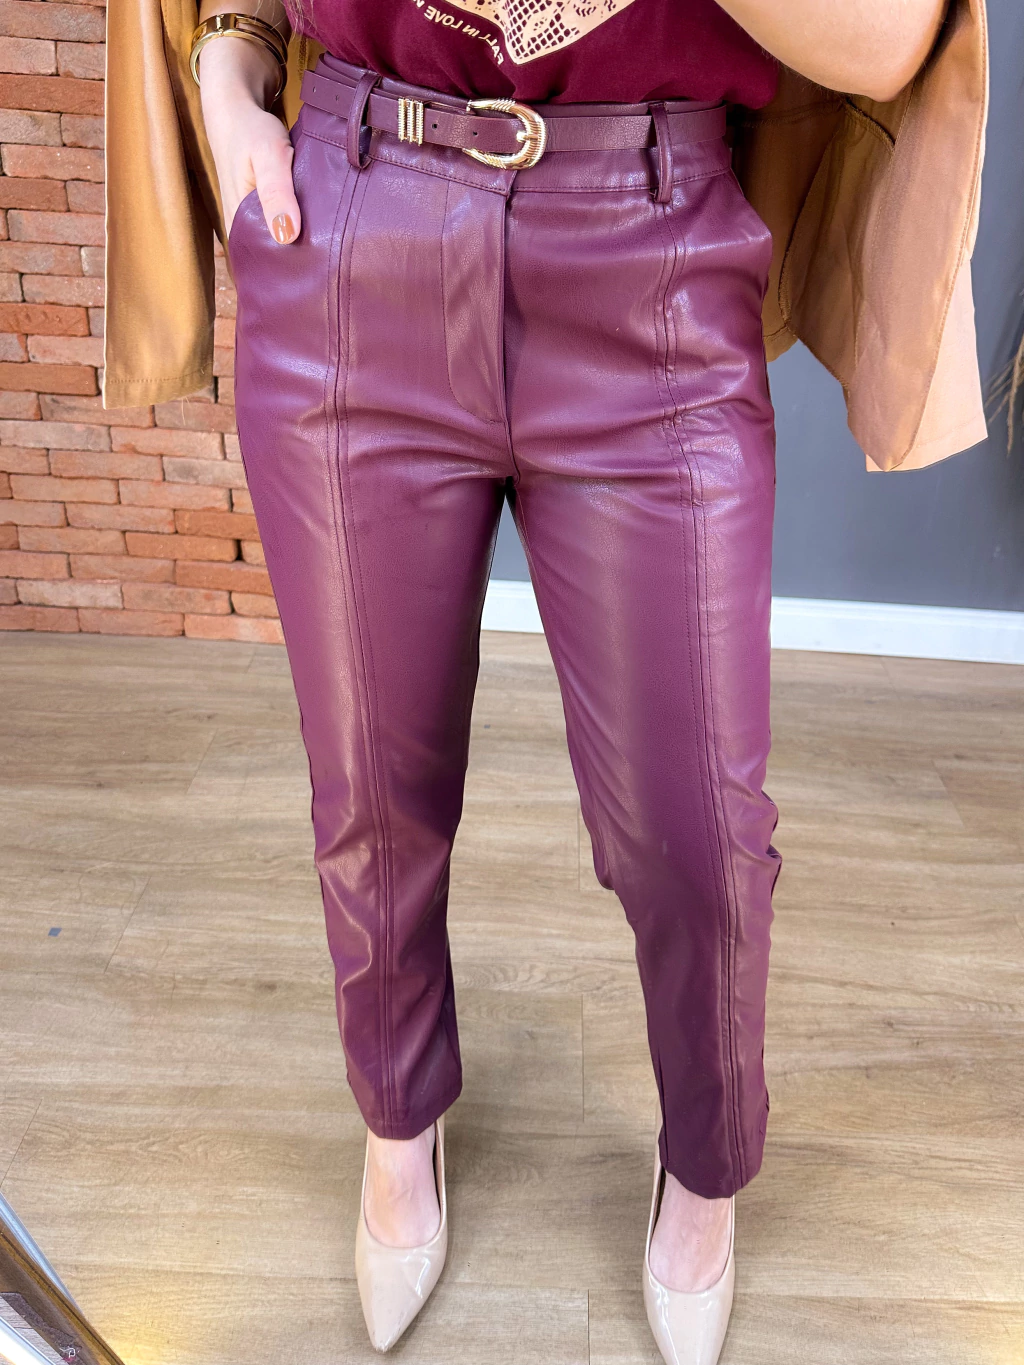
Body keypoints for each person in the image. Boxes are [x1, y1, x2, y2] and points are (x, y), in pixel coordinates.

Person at [102, 0, 988, 1359]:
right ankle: (397, 1126)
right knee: (372, 792)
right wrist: (229, 87)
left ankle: (706, 1168)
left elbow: (884, 41)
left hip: (649, 249)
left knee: (696, 835)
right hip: (353, 224)